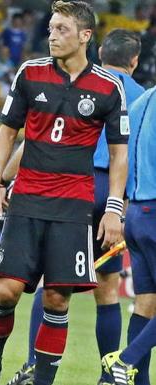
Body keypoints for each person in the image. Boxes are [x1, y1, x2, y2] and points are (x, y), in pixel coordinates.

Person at [0, 2, 128, 385]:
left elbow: (118, 153)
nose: (53, 36)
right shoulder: (30, 74)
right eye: (51, 29)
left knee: (57, 299)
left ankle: (41, 381)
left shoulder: (109, 88)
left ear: (85, 36)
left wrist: (113, 209)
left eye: (62, 29)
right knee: (7, 292)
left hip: (74, 207)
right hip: (26, 199)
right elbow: (7, 131)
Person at [6, 28, 145, 385]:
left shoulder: (84, 81)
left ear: (98, 53)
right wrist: (124, 204)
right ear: (135, 61)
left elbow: (40, 137)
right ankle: (108, 373)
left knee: (50, 280)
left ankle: (34, 364)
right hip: (114, 195)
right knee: (108, 289)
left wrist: (8, 177)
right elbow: (133, 154)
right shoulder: (142, 97)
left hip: (71, 187)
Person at [101, 75, 156, 385]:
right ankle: (124, 360)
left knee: (147, 302)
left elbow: (119, 156)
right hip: (154, 210)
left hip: (135, 213)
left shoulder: (139, 103)